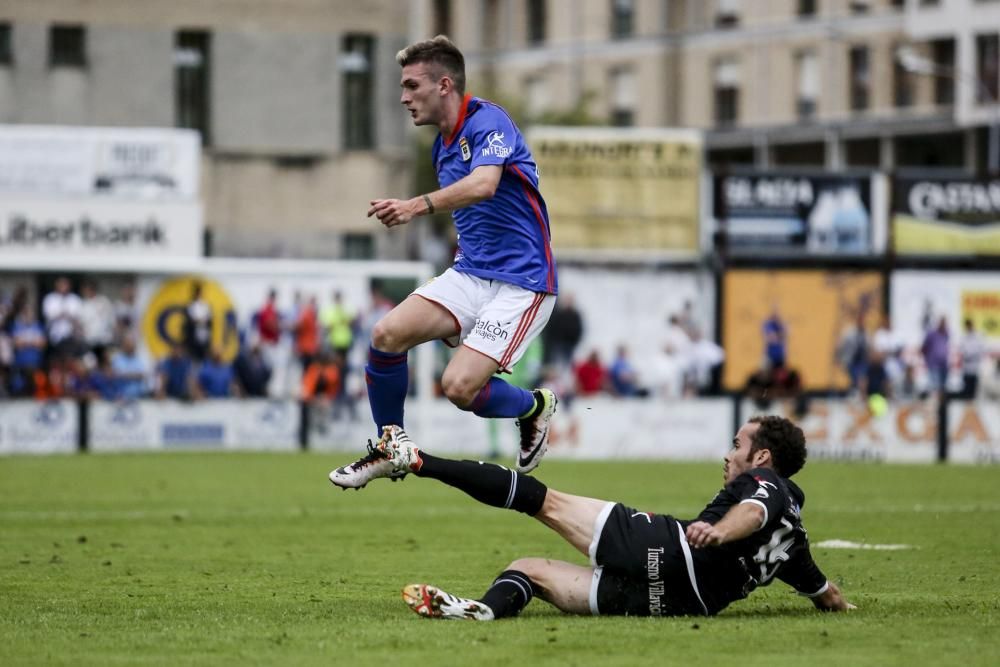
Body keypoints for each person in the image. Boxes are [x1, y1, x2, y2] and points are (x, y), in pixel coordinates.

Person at [330, 416, 854, 620]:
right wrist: (835, 600)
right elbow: (823, 592)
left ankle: (414, 459)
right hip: (673, 603)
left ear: (762, 458)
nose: (728, 455)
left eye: (737, 445)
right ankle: (485, 612)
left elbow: (750, 512)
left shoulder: (765, 484)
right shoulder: (795, 541)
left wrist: (717, 530)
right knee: (527, 570)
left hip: (670, 550)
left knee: (540, 499)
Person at [332, 35, 559, 484]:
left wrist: (416, 205)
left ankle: (534, 407)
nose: (403, 97)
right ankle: (389, 444)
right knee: (386, 333)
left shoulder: (489, 121)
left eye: (412, 86)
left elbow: (484, 185)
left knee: (458, 388)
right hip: (471, 273)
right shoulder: (442, 146)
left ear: (444, 85)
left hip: (522, 282)